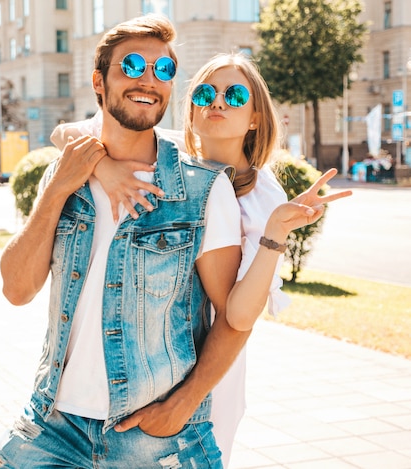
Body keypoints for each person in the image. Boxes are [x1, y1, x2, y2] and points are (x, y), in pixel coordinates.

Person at [50, 52, 352, 466]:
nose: (217, 102)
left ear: (255, 118)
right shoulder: (168, 152)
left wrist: (276, 232)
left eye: (234, 94)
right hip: (146, 363)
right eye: (206, 93)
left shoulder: (263, 197)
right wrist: (105, 168)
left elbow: (239, 315)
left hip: (211, 371)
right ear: (190, 109)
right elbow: (64, 133)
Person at [0, 14, 248, 468]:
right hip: (54, 423)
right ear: (98, 82)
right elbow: (16, 289)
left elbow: (233, 316)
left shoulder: (203, 190)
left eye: (163, 70)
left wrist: (183, 405)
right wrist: (57, 188)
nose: (149, 79)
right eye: (132, 65)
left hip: (154, 438)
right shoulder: (63, 176)